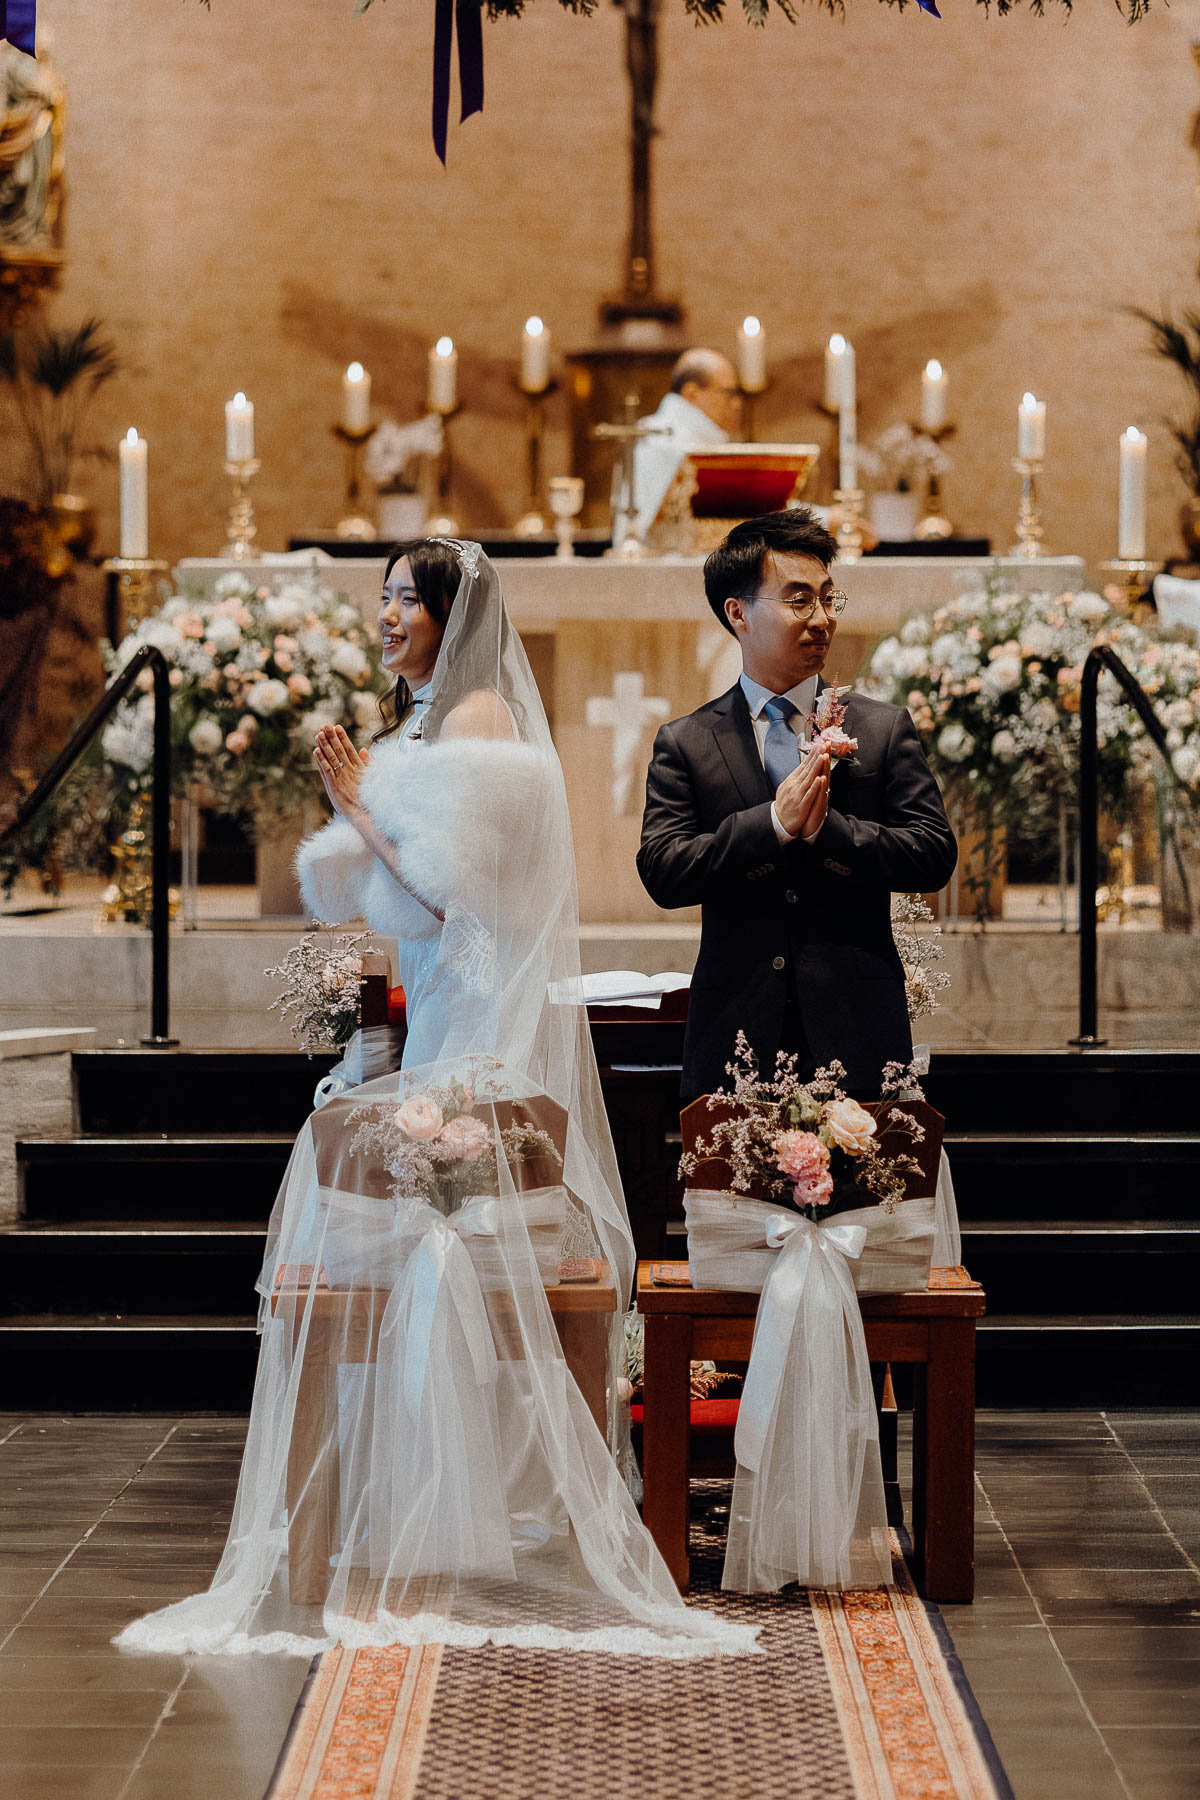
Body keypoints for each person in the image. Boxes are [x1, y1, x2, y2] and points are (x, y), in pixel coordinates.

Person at [115, 538, 756, 1661]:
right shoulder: (422, 723)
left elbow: (450, 894)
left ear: (452, 619)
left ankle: (478, 1509)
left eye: (404, 599)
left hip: (482, 1019)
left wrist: (358, 811)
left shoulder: (472, 726)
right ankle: (411, 1503)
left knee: (443, 1230)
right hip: (442, 1015)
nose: (384, 615)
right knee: (383, 1218)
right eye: (383, 596)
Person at [637, 508, 958, 1107]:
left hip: (858, 1027)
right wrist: (773, 827)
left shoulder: (882, 728)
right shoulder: (687, 742)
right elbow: (663, 871)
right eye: (798, 600)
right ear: (738, 612)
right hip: (735, 1031)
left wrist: (830, 833)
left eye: (828, 599)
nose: (821, 619)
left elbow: (933, 854)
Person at [632, 347, 742, 538]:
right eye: (729, 393)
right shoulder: (662, 441)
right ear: (691, 393)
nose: (737, 404)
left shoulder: (700, 438)